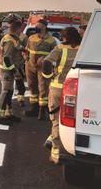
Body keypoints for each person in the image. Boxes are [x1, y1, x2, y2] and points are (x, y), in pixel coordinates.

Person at [42, 27, 82, 164]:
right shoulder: (83, 49)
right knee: (71, 120)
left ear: (65, 37)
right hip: (76, 90)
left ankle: (56, 154)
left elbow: (46, 62)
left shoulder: (60, 48)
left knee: (56, 120)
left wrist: (48, 76)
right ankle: (51, 138)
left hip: (58, 88)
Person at [24, 19, 57, 120]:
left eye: (38, 26)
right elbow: (27, 49)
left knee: (43, 88)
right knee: (31, 86)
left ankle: (42, 112)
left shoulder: (52, 40)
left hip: (43, 68)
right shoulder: (31, 38)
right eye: (36, 25)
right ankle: (34, 109)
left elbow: (55, 54)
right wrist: (25, 55)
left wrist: (45, 59)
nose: (36, 27)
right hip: (30, 66)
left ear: (44, 27)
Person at [0, 20, 24, 125]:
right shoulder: (10, 40)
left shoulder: (11, 38)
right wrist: (14, 71)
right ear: (19, 28)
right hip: (6, 70)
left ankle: (8, 113)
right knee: (6, 91)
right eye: (21, 28)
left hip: (6, 70)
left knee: (9, 91)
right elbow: (7, 58)